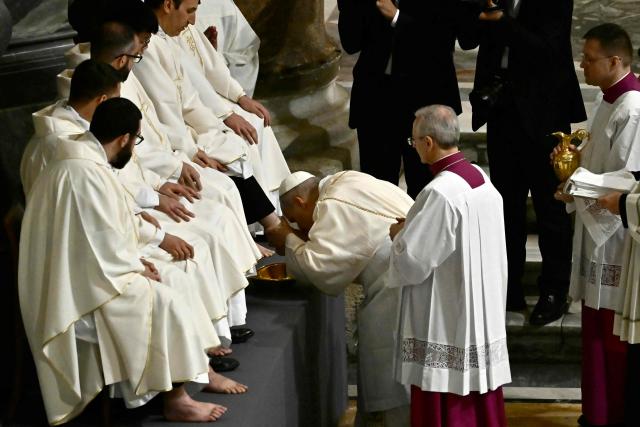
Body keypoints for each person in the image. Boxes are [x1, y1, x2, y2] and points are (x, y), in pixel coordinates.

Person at [19, 98, 244, 424]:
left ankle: (198, 370)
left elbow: (103, 228)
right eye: (136, 140)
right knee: (163, 298)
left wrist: (137, 259)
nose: (134, 147)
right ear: (124, 138)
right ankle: (176, 399)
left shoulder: (88, 159)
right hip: (73, 291)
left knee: (176, 278)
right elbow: (97, 238)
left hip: (88, 269)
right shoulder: (82, 171)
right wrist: (134, 266)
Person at [464, 0, 587, 325]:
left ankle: (554, 290)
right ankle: (508, 285)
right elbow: (467, 37)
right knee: (505, 205)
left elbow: (545, 49)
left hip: (544, 111)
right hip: (502, 111)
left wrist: (501, 21)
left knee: (551, 207)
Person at [389, 105, 510, 427]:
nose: (412, 146)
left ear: (428, 142)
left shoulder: (440, 192)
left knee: (445, 389)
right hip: (479, 305)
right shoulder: (479, 177)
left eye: (413, 140)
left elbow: (414, 261)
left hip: (447, 311)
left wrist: (399, 236)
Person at [267, 170, 413, 425]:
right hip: (407, 279)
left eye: (294, 219)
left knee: (393, 374)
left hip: (395, 291)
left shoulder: (330, 205)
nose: (300, 226)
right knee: (385, 367)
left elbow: (321, 269)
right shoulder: (347, 179)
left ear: (301, 202)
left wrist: (287, 238)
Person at [133, 0, 285, 235]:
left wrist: (218, 125)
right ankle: (263, 229)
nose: (193, 20)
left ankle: (267, 224)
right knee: (228, 157)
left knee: (233, 142)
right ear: (167, 5)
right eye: (190, 11)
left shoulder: (163, 40)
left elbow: (188, 96)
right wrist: (193, 149)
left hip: (184, 126)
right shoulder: (149, 47)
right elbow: (165, 108)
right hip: (172, 138)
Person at [554, 23, 640, 427]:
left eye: (589, 59)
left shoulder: (633, 108)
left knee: (610, 335)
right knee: (594, 329)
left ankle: (612, 414)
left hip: (618, 239)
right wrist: (571, 168)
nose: (583, 66)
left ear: (615, 60)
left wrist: (579, 185)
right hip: (596, 231)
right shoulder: (609, 101)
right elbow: (598, 164)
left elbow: (626, 179)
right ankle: (596, 413)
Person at [337, 0, 476, 198]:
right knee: (377, 191)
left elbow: (445, 38)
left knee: (424, 190)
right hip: (376, 100)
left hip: (426, 100)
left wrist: (397, 18)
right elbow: (351, 43)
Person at [174, 2, 290, 211]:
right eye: (191, 12)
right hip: (190, 111)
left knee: (256, 119)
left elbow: (213, 68)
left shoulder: (182, 26)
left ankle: (274, 206)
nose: (193, 20)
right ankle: (260, 218)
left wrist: (241, 96)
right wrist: (226, 114)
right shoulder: (159, 37)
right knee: (242, 135)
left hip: (205, 101)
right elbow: (189, 83)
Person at [195, 0, 261, 96]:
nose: (191, 19)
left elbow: (246, 54)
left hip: (225, 99)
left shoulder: (224, 6)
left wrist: (216, 59)